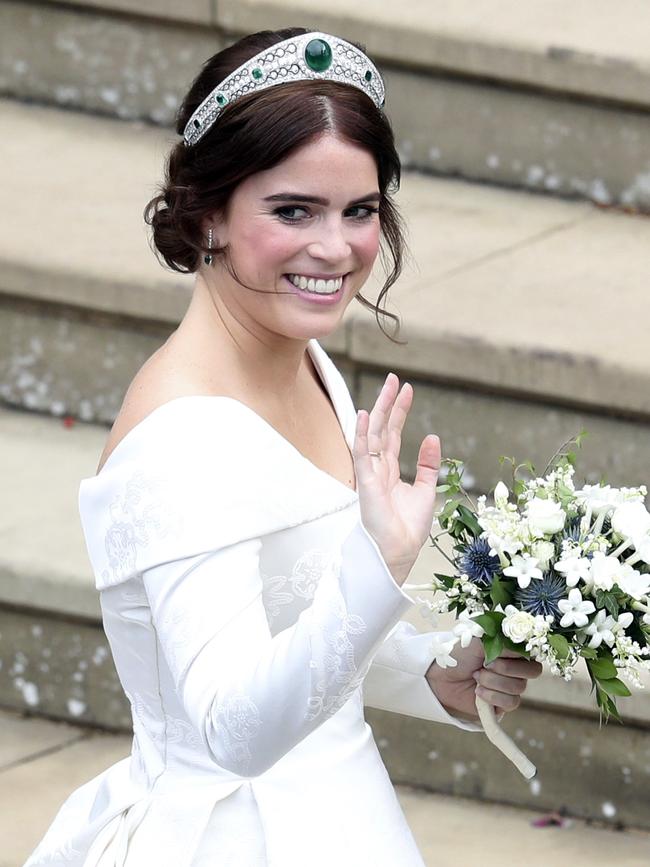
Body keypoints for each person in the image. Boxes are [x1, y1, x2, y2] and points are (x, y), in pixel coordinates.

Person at [24, 27, 542, 867]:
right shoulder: (180, 441)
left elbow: (291, 619)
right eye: (292, 210)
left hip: (344, 816)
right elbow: (232, 726)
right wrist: (379, 564)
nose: (335, 249)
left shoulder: (307, 362)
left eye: (360, 210)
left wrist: (427, 672)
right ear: (207, 211)